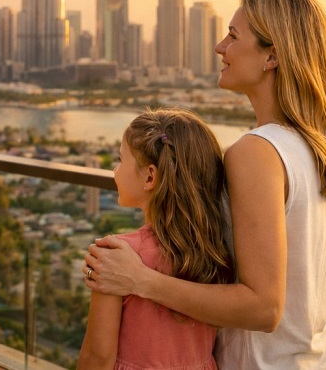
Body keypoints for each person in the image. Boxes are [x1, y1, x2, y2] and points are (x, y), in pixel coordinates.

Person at [84, 0, 326, 369]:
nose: (220, 47)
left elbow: (264, 309)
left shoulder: (257, 153)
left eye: (233, 36)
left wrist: (140, 280)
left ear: (273, 56)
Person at [78, 108, 233, 370]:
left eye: (120, 160)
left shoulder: (116, 256)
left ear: (150, 176)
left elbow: (97, 357)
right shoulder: (214, 248)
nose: (115, 170)